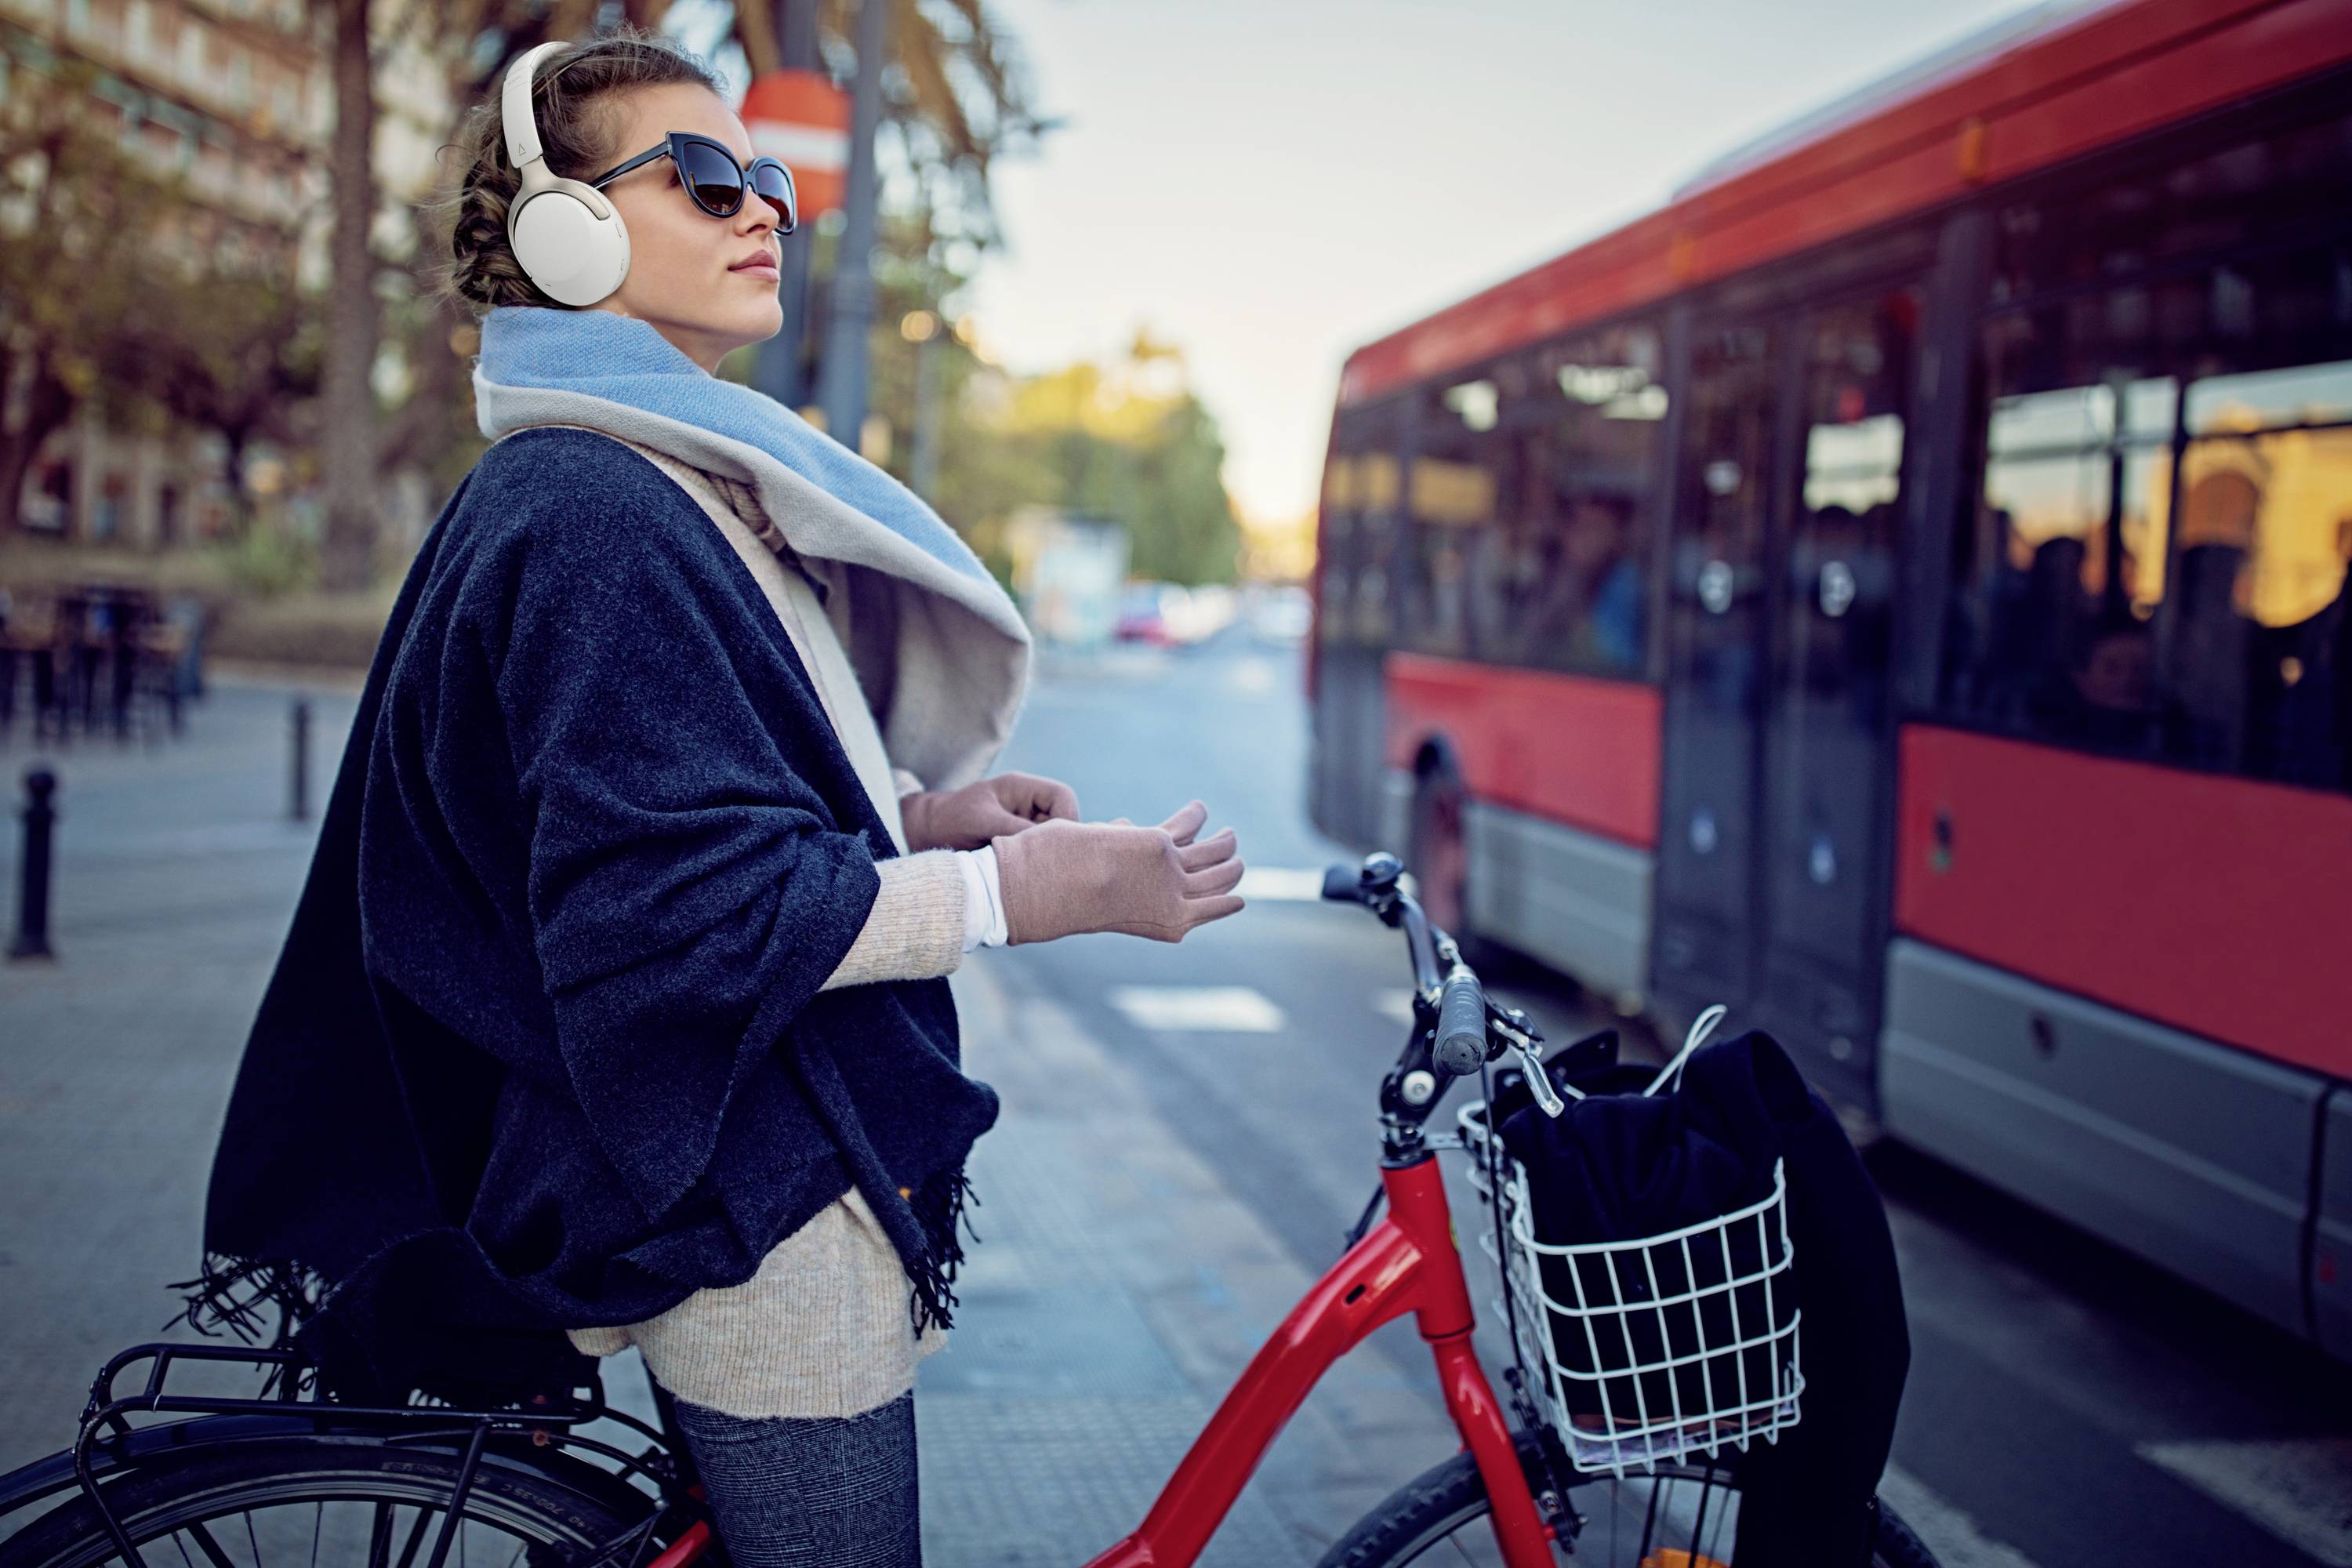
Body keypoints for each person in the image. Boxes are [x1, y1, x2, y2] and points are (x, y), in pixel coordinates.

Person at [186, 29, 1246, 1568]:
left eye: (764, 181)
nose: (762, 209)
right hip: (745, 1199)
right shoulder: (597, 509)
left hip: (732, 1143)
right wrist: (1023, 896)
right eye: (701, 177)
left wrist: (911, 818)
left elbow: (677, 800)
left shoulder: (659, 477)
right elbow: (670, 919)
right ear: (569, 228)